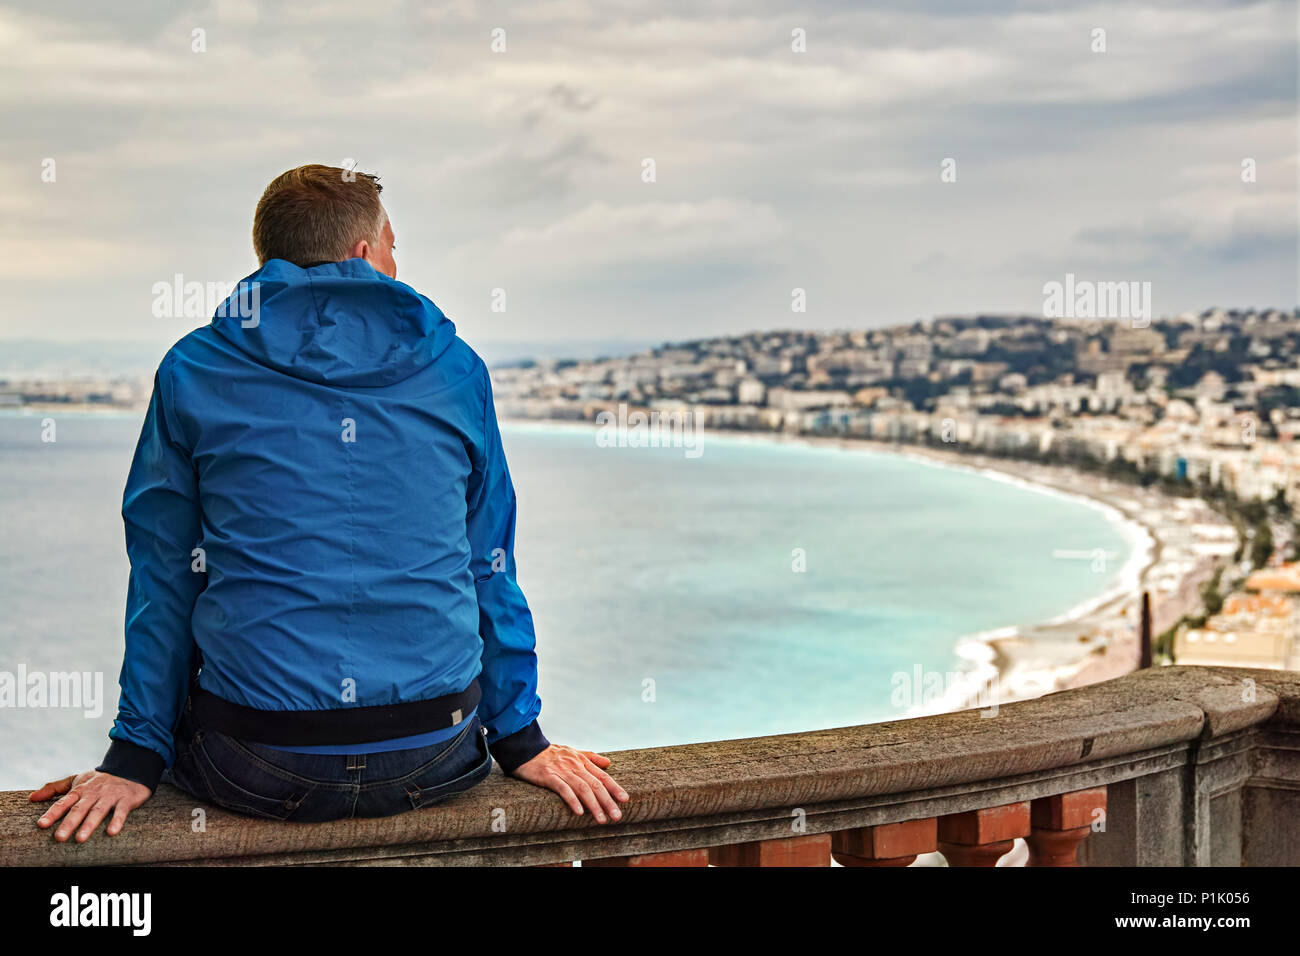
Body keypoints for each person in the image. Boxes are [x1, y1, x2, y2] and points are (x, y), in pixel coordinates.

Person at [31, 164, 628, 841]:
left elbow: (166, 574)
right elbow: (489, 562)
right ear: (363, 252)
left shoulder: (193, 370)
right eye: (394, 246)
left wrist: (134, 756)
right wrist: (521, 739)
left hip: (253, 759)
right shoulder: (456, 369)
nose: (397, 264)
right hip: (436, 749)